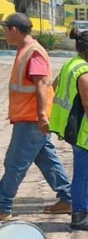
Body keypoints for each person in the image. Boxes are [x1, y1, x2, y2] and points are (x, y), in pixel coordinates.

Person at [0, 13, 73, 222]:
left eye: (5, 29)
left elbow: (41, 84)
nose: (4, 34)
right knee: (47, 160)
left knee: (15, 162)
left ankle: (3, 205)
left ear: (14, 30)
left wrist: (41, 115)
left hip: (32, 119)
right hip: (29, 118)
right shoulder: (25, 50)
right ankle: (68, 198)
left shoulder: (33, 52)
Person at [49, 31, 88, 231]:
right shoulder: (86, 73)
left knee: (86, 174)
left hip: (71, 127)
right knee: (83, 175)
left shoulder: (71, 64)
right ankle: (79, 215)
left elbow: (55, 85)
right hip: (84, 131)